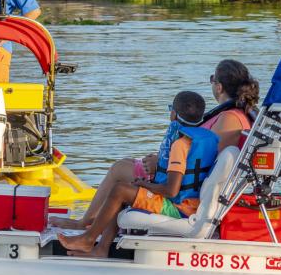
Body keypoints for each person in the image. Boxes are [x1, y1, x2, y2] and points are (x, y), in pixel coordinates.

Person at [50, 58, 259, 231]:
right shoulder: (231, 115)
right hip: (179, 173)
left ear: (219, 86)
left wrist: (161, 163)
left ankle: (86, 223)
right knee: (125, 165)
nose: (212, 83)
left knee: (119, 170)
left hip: (182, 185)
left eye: (213, 79)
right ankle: (100, 227)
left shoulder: (229, 119)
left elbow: (203, 159)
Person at [57, 91, 219, 256]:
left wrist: (145, 184)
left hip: (178, 208)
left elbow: (171, 190)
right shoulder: (209, 138)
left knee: (120, 190)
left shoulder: (180, 144)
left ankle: (88, 240)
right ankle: (101, 248)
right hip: (192, 203)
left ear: (174, 114)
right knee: (123, 189)